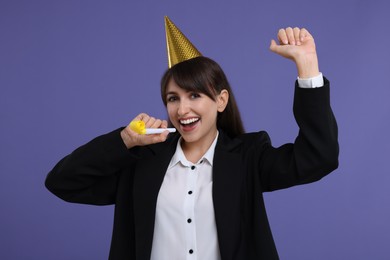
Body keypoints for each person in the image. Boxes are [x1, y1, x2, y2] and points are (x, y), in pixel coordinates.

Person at [45, 17, 339, 260]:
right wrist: (124, 142)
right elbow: (62, 182)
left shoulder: (248, 158)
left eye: (195, 95)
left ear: (221, 100)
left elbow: (318, 158)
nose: (182, 109)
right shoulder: (141, 163)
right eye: (173, 98)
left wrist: (308, 68)